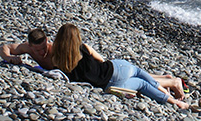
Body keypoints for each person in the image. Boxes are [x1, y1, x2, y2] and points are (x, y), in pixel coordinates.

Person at [51, 24, 188, 109]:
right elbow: (101, 59)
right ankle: (171, 88)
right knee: (137, 72)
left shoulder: (58, 60)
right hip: (114, 69)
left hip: (108, 86)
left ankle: (176, 102)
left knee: (141, 84)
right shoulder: (84, 49)